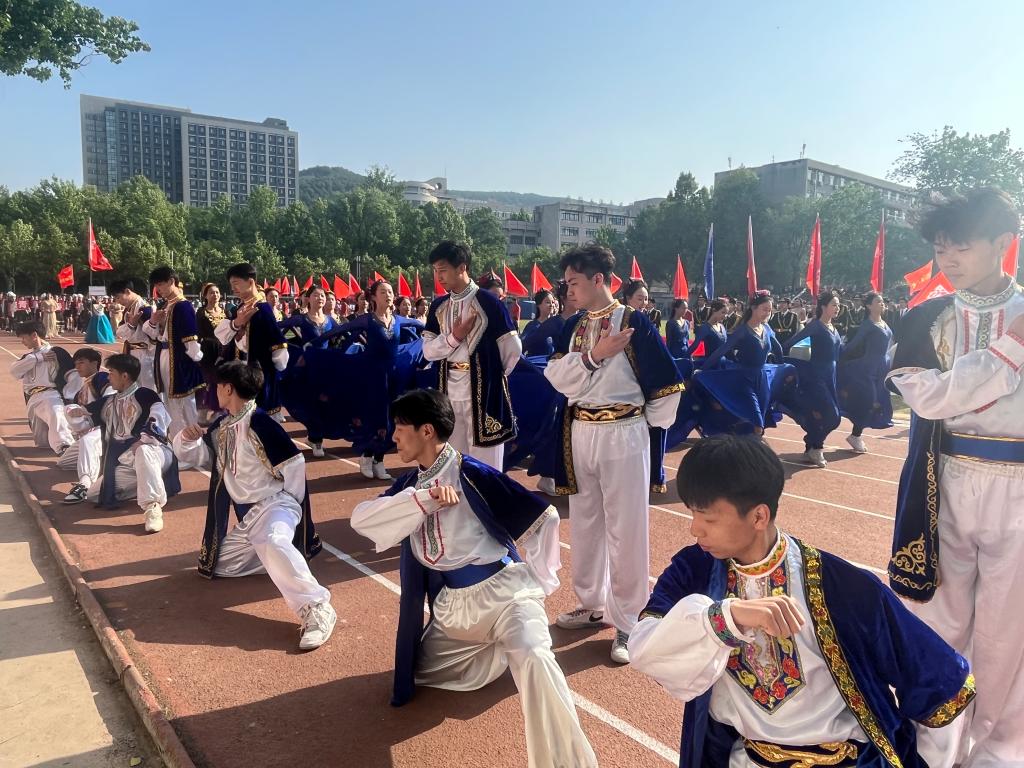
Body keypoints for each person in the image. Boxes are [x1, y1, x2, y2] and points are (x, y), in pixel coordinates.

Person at [630, 435, 976, 768]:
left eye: (708, 518)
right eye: (692, 514)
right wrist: (725, 618)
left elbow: (940, 680)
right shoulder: (694, 571)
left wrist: (929, 761)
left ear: (759, 516)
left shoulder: (843, 586)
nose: (695, 529)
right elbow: (644, 648)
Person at [351, 389, 597, 768]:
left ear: (427, 431)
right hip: (455, 614)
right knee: (421, 671)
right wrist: (424, 500)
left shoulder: (471, 473)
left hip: (504, 599)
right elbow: (362, 519)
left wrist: (539, 581)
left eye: (400, 427)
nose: (394, 435)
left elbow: (545, 517)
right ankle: (497, 651)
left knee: (535, 657)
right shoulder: (411, 484)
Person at [886, 188, 1024, 766]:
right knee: (938, 622)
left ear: (1003, 242)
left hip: (1019, 488)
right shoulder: (926, 316)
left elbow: (945, 390)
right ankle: (932, 749)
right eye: (941, 246)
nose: (948, 258)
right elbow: (927, 398)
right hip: (942, 481)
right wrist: (1010, 352)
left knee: (1007, 631)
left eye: (961, 245)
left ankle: (998, 752)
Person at [544, 244, 683, 663]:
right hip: (581, 431)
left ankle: (628, 618)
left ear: (598, 279)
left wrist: (642, 425)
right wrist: (594, 356)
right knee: (586, 521)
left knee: (626, 527)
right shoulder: (575, 326)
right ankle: (592, 603)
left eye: (574, 282)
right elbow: (557, 377)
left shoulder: (634, 321)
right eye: (567, 283)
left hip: (623, 430)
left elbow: (667, 385)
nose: (569, 290)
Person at [172, 361, 334, 649]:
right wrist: (186, 439)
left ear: (228, 389)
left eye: (218, 386)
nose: (214, 391)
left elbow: (295, 464)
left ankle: (317, 607)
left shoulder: (261, 423)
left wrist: (290, 505)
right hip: (249, 519)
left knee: (273, 539)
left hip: (275, 505)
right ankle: (275, 559)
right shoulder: (222, 426)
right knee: (217, 565)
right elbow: (202, 459)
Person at [422, 241, 522, 470]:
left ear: (462, 267)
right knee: (451, 464)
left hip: (484, 395)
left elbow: (512, 349)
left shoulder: (490, 303)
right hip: (448, 392)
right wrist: (454, 337)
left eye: (443, 270)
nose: (438, 276)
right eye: (435, 270)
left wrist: (492, 374)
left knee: (486, 467)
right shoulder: (438, 306)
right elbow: (428, 351)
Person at [88, 354, 179, 533]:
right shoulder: (110, 401)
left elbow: (159, 417)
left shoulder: (145, 395)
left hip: (156, 454)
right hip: (128, 462)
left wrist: (144, 439)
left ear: (124, 376)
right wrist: (74, 411)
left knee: (143, 451)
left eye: (111, 372)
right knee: (94, 494)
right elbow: (86, 414)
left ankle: (152, 506)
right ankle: (149, 482)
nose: (108, 377)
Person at [683, 293, 793, 439]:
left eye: (770, 310)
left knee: (760, 421)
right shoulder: (742, 331)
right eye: (764, 309)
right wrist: (702, 369)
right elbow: (722, 350)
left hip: (763, 381)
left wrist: (782, 368)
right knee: (757, 423)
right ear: (753, 308)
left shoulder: (766, 328)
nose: (768, 313)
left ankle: (744, 443)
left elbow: (778, 349)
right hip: (745, 380)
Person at [215, 263, 289, 420]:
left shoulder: (263, 309)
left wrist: (270, 376)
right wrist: (237, 324)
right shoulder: (242, 307)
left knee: (258, 424)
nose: (233, 288)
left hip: (258, 378)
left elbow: (279, 347)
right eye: (231, 284)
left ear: (250, 282)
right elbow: (222, 336)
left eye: (236, 283)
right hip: (242, 376)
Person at [780, 292, 843, 468]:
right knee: (833, 416)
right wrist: (784, 362)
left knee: (827, 416)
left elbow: (839, 353)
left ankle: (811, 445)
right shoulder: (815, 327)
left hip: (831, 377)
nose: (837, 308)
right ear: (823, 307)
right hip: (816, 377)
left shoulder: (833, 328)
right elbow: (789, 343)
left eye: (838, 305)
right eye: (834, 305)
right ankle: (817, 446)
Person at [144, 266, 205, 438]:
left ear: (172, 281)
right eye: (156, 286)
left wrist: (196, 359)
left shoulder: (183, 306)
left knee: (184, 403)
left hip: (179, 360)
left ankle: (190, 441)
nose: (158, 289)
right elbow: (154, 334)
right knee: (170, 402)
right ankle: (176, 439)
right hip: (165, 356)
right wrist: (154, 321)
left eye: (160, 285)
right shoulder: (166, 305)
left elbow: (190, 338)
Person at [837, 292, 893, 454]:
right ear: (869, 306)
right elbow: (854, 344)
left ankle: (856, 434)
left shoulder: (883, 322)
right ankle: (855, 435)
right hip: (867, 369)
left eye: (882, 302)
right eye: (878, 302)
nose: (882, 304)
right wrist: (839, 354)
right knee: (869, 402)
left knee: (879, 402)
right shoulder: (867, 325)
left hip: (882, 368)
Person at [59, 347, 114, 503]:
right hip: (89, 432)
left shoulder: (101, 378)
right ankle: (100, 460)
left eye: (81, 362)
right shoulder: (80, 391)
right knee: (63, 462)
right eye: (75, 363)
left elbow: (111, 398)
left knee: (88, 441)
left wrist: (87, 410)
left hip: (105, 428)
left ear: (95, 363)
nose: (77, 367)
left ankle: (85, 484)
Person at [11, 321, 74, 455]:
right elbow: (14, 371)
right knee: (43, 442)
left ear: (34, 335)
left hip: (51, 394)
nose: (22, 341)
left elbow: (73, 375)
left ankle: (66, 447)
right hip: (33, 399)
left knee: (55, 413)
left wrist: (69, 397)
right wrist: (38, 358)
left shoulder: (57, 352)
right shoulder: (29, 357)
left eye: (24, 338)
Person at [110, 280, 157, 391]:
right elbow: (119, 332)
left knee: (147, 389)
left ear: (127, 291)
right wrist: (131, 325)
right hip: (133, 354)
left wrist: (131, 326)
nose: (118, 301)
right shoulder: (130, 308)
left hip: (144, 356)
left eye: (118, 297)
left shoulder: (144, 309)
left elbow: (154, 336)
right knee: (133, 388)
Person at [196, 282, 225, 423]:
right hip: (207, 351)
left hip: (223, 350)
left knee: (222, 380)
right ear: (205, 296)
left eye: (217, 292)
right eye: (212, 292)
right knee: (207, 380)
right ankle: (202, 411)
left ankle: (219, 411)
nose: (215, 295)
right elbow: (197, 333)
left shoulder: (226, 312)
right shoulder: (201, 313)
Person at [280, 286, 341, 350]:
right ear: (308, 299)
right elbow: (280, 329)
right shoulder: (300, 319)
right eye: (316, 295)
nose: (320, 298)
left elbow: (341, 334)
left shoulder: (330, 320)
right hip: (307, 355)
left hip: (326, 355)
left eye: (322, 295)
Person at [686, 298, 729, 368]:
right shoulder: (705, 328)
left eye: (726, 314)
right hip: (711, 366)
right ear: (714, 310)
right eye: (723, 312)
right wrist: (683, 360)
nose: (725, 316)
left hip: (723, 364)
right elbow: (694, 346)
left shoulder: (722, 326)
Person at [520, 289, 562, 358]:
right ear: (538, 304)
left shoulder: (558, 324)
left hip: (553, 363)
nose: (551, 305)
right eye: (547, 302)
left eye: (553, 302)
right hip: (536, 363)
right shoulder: (532, 326)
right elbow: (521, 348)